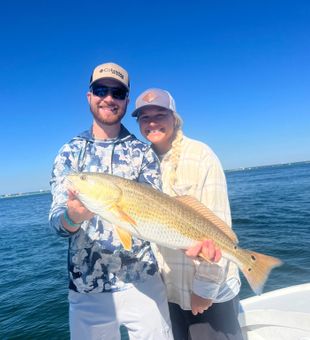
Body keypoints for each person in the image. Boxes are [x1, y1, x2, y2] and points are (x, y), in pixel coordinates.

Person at [49, 63, 174, 340]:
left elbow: (160, 213)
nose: (108, 98)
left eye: (117, 92)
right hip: (87, 288)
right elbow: (57, 222)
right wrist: (72, 218)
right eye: (101, 90)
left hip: (144, 281)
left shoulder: (143, 152)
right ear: (89, 96)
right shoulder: (70, 154)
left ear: (126, 101)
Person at [132, 88, 243, 340]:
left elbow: (218, 227)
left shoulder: (201, 155)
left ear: (175, 117)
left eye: (160, 114)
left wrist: (205, 288)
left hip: (206, 294)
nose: (152, 122)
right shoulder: (141, 162)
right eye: (144, 117)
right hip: (167, 292)